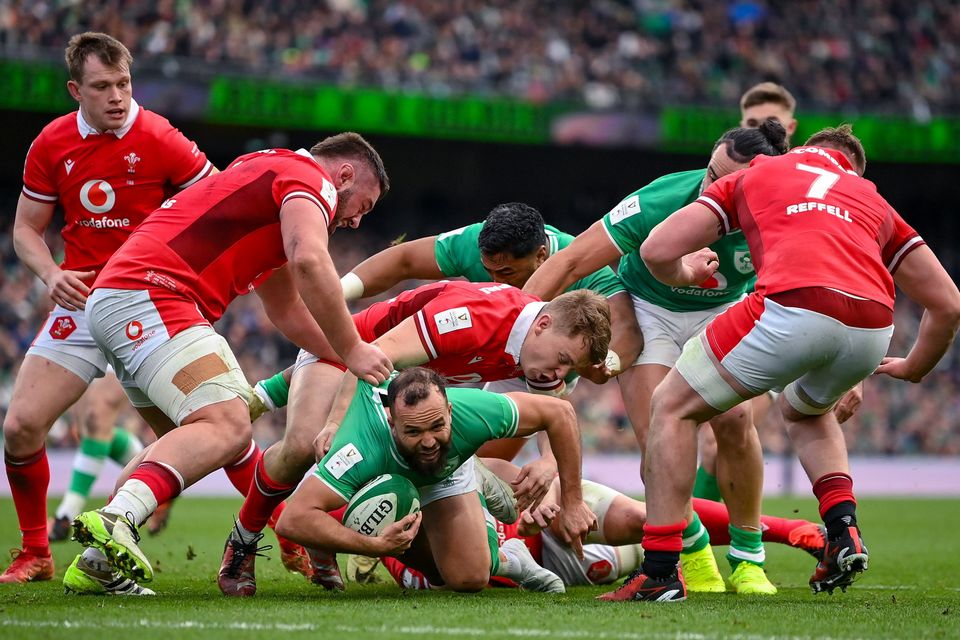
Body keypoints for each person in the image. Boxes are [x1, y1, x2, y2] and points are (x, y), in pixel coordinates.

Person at [613, 125, 960, 602]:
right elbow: (947, 304)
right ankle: (842, 529)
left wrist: (684, 272)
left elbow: (655, 249)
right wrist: (915, 368)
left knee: (671, 407)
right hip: (873, 324)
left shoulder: (763, 170)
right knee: (806, 411)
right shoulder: (869, 198)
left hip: (792, 303)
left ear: (802, 152)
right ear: (850, 169)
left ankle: (660, 571)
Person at [66, 131, 393, 594]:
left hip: (124, 297)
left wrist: (344, 357)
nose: (359, 221)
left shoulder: (270, 178)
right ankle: (117, 518)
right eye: (366, 204)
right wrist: (356, 348)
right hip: (155, 293)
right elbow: (310, 260)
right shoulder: (310, 180)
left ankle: (97, 563)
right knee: (229, 422)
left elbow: (287, 312)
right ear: (344, 174)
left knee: (211, 440)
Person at [524, 122, 790, 595]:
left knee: (735, 421)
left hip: (723, 310)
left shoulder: (781, 217)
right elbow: (570, 260)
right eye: (711, 173)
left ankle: (749, 559)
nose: (711, 189)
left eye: (728, 183)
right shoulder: (661, 200)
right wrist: (514, 324)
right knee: (657, 438)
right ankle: (693, 548)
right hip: (651, 312)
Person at [218, 280, 611, 595]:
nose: (558, 373)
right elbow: (368, 355)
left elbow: (554, 409)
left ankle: (473, 492)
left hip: (411, 405)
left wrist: (548, 465)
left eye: (569, 367)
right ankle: (243, 541)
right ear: (542, 325)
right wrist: (336, 422)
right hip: (346, 357)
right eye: (562, 360)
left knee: (468, 575)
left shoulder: (536, 343)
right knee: (305, 445)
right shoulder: (472, 319)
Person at [0, 32, 214, 588]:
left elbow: (216, 203)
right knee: (21, 427)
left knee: (213, 426)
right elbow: (26, 229)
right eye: (102, 86)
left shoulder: (160, 135)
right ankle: (36, 552)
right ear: (76, 90)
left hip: (150, 302)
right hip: (82, 303)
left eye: (124, 83)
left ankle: (277, 534)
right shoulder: (51, 143)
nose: (117, 96)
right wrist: (51, 273)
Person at [274, 367, 597, 595]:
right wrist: (374, 546)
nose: (428, 441)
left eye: (437, 427)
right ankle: (506, 557)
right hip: (387, 478)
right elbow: (293, 520)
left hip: (444, 472)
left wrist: (571, 500)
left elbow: (560, 413)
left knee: (469, 580)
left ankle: (473, 470)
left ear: (451, 411)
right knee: (435, 571)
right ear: (392, 422)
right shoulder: (358, 448)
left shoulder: (474, 411)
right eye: (413, 431)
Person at [382, 460, 827, 591]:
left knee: (644, 517)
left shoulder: (453, 466)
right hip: (564, 566)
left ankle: (788, 531)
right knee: (636, 551)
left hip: (559, 526)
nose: (429, 443)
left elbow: (534, 476)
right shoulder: (398, 544)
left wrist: (554, 500)